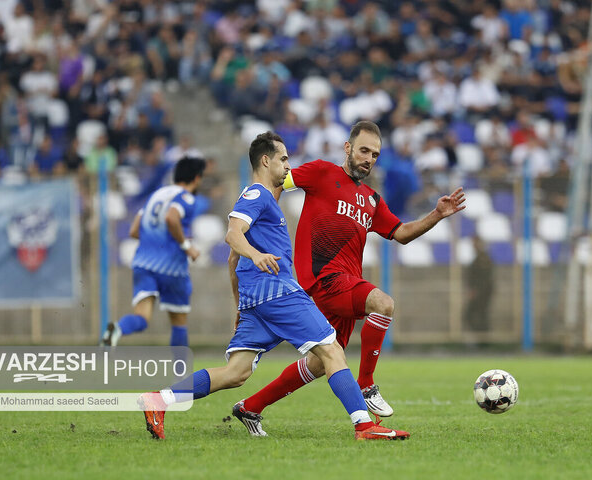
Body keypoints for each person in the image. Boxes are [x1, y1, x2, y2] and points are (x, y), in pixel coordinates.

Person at [138, 132, 409, 441]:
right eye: (283, 159)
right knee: (332, 351)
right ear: (266, 161)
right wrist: (257, 255)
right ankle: (364, 426)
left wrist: (240, 304)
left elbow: (232, 260)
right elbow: (232, 235)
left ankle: (159, 400)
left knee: (236, 373)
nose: (287, 166)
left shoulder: (265, 200)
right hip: (278, 291)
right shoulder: (258, 194)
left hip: (256, 298)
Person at [232, 121, 465, 435]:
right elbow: (274, 182)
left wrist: (436, 215)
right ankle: (366, 385)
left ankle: (251, 406)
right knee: (383, 303)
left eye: (375, 154)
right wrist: (264, 220)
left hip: (345, 285)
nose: (369, 158)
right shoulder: (321, 173)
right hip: (324, 279)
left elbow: (402, 233)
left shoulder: (371, 200)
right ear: (348, 148)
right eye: (364, 150)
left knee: (320, 363)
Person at [102, 156, 206, 347]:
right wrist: (186, 246)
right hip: (172, 267)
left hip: (143, 263)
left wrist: (155, 240)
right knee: (179, 323)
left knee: (142, 318)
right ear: (197, 178)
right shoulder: (187, 198)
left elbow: (134, 230)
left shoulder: (156, 195)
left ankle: (116, 329)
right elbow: (172, 218)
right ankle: (179, 374)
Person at [465, 236, 494, 332]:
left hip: (482, 292)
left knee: (477, 314)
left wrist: (476, 290)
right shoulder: (479, 257)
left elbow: (484, 277)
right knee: (475, 315)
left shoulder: (483, 258)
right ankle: (480, 338)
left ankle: (482, 339)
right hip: (480, 292)